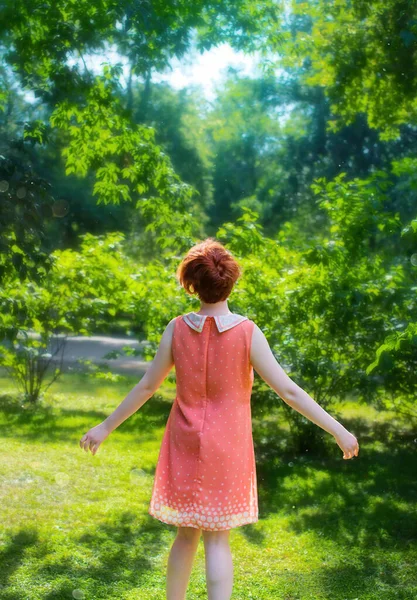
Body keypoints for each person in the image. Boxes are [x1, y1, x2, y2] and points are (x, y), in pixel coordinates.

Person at [79, 237, 359, 600]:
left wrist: (105, 427)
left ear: (192, 284)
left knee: (185, 534)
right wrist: (338, 429)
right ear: (231, 281)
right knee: (217, 540)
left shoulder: (176, 328)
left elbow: (148, 386)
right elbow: (289, 391)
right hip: (228, 446)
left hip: (184, 439)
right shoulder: (246, 332)